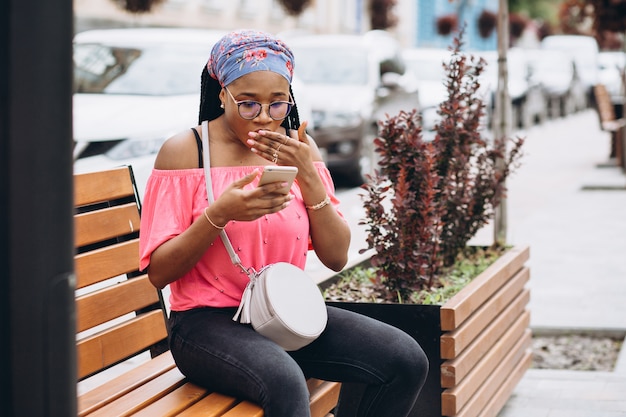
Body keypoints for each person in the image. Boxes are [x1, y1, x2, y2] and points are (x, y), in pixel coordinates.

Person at [139, 29, 428, 417]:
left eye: (277, 104)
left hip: (285, 315)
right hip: (204, 324)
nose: (263, 117)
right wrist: (219, 214)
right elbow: (159, 273)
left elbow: (337, 256)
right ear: (221, 92)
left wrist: (308, 176)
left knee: (404, 359)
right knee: (285, 382)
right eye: (247, 104)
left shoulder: (299, 148)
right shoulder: (186, 151)